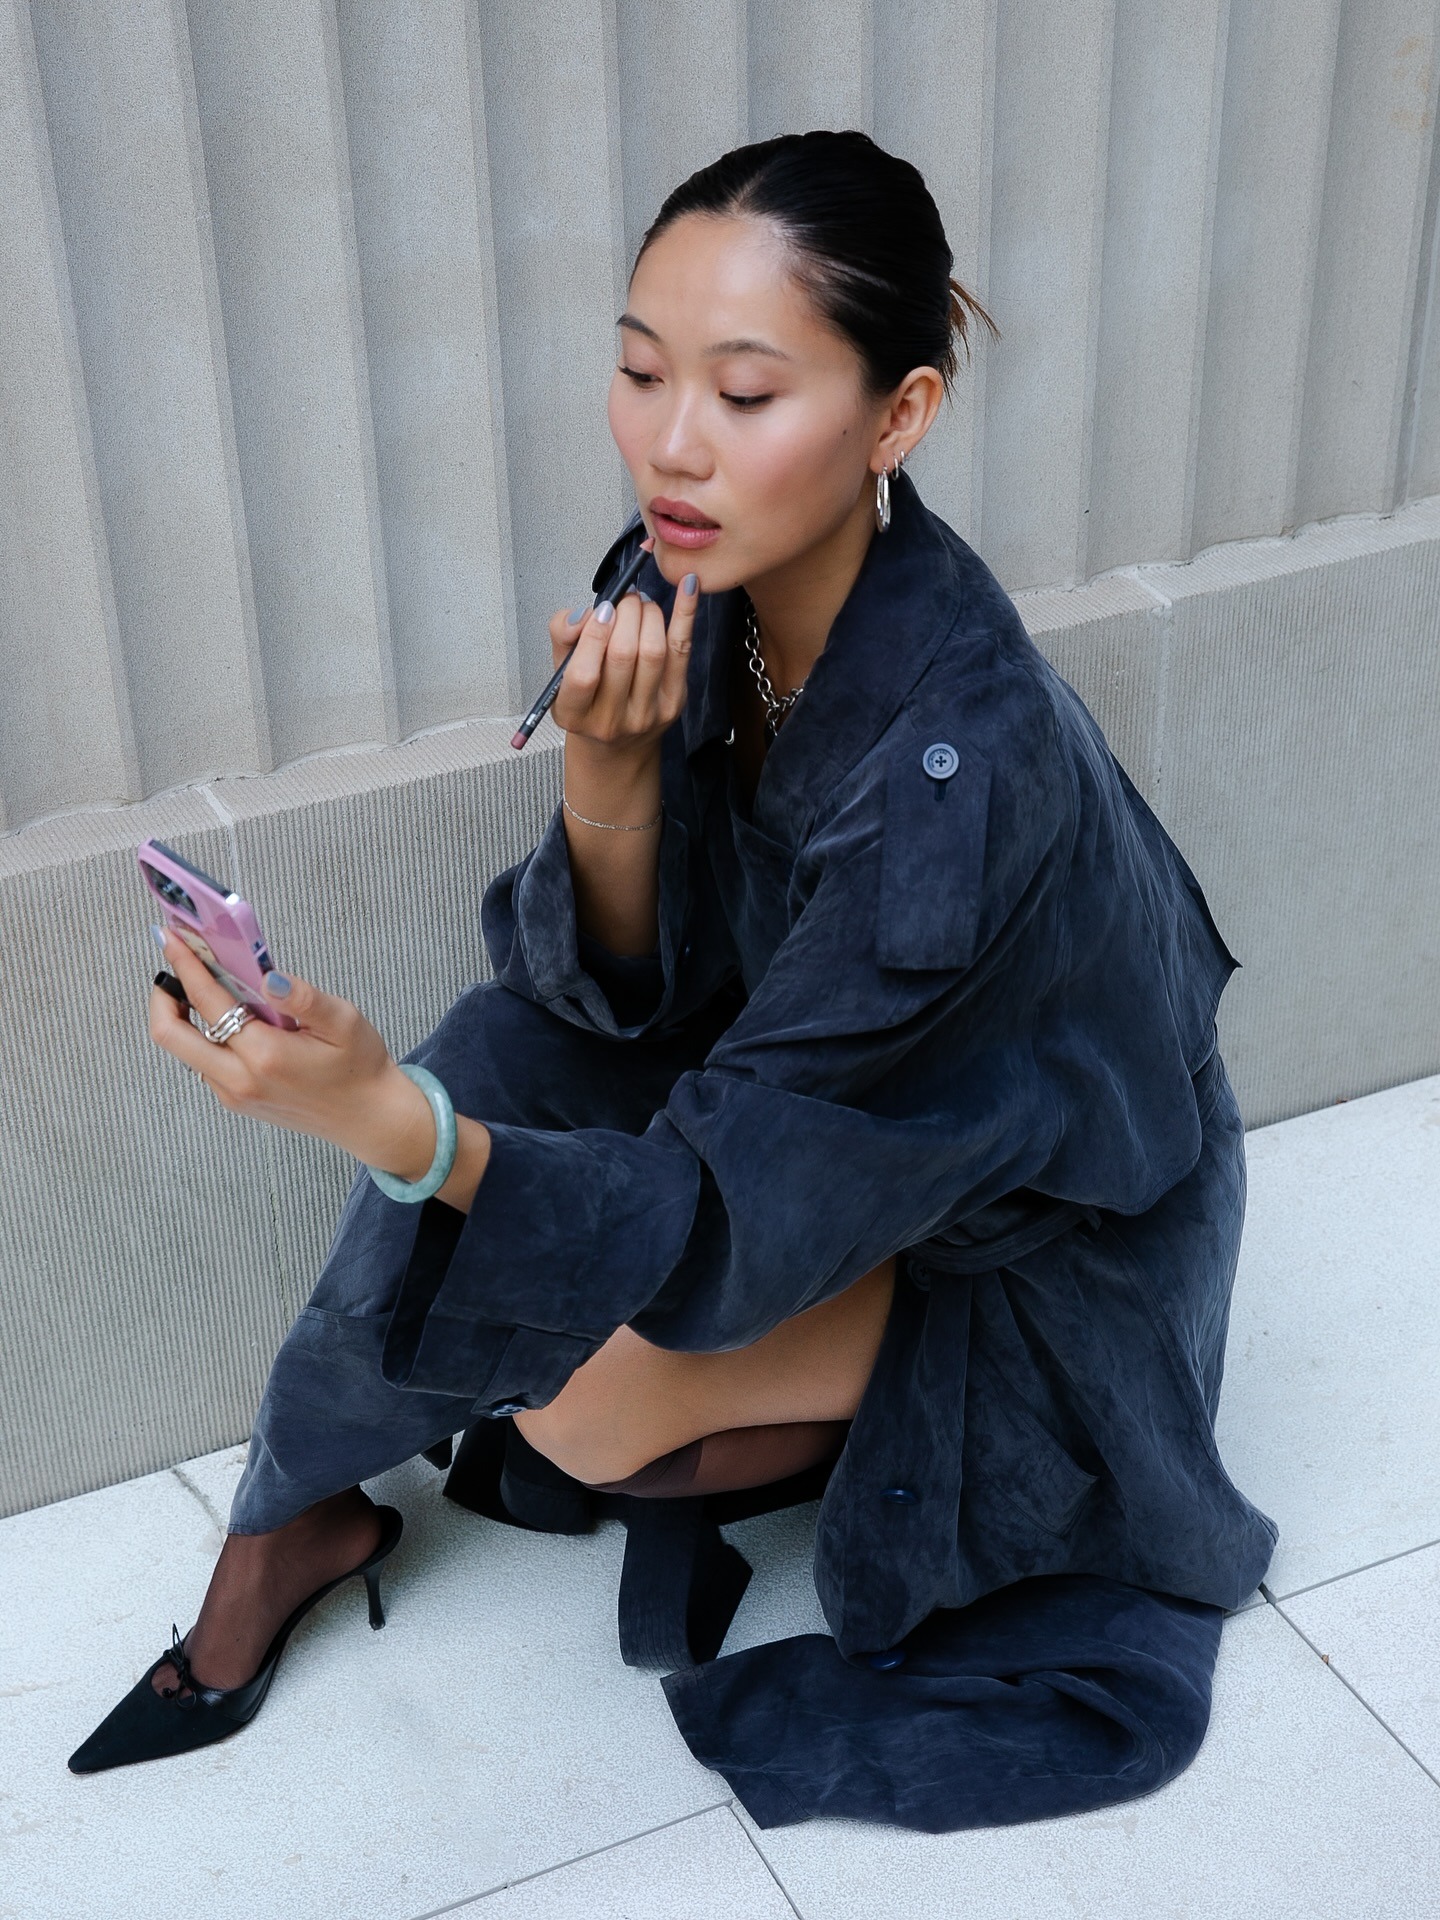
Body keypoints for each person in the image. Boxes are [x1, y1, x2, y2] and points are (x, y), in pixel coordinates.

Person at [70, 130, 1275, 1830]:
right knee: (493, 1052)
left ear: (900, 415)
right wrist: (609, 779)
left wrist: (389, 1126)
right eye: (640, 374)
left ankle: (781, 1451)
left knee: (571, 1398)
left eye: (746, 392)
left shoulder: (961, 773)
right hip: (818, 1114)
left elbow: (720, 1215)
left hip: (1033, 1231)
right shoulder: (693, 573)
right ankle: (289, 1524)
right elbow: (605, 999)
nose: (672, 443)